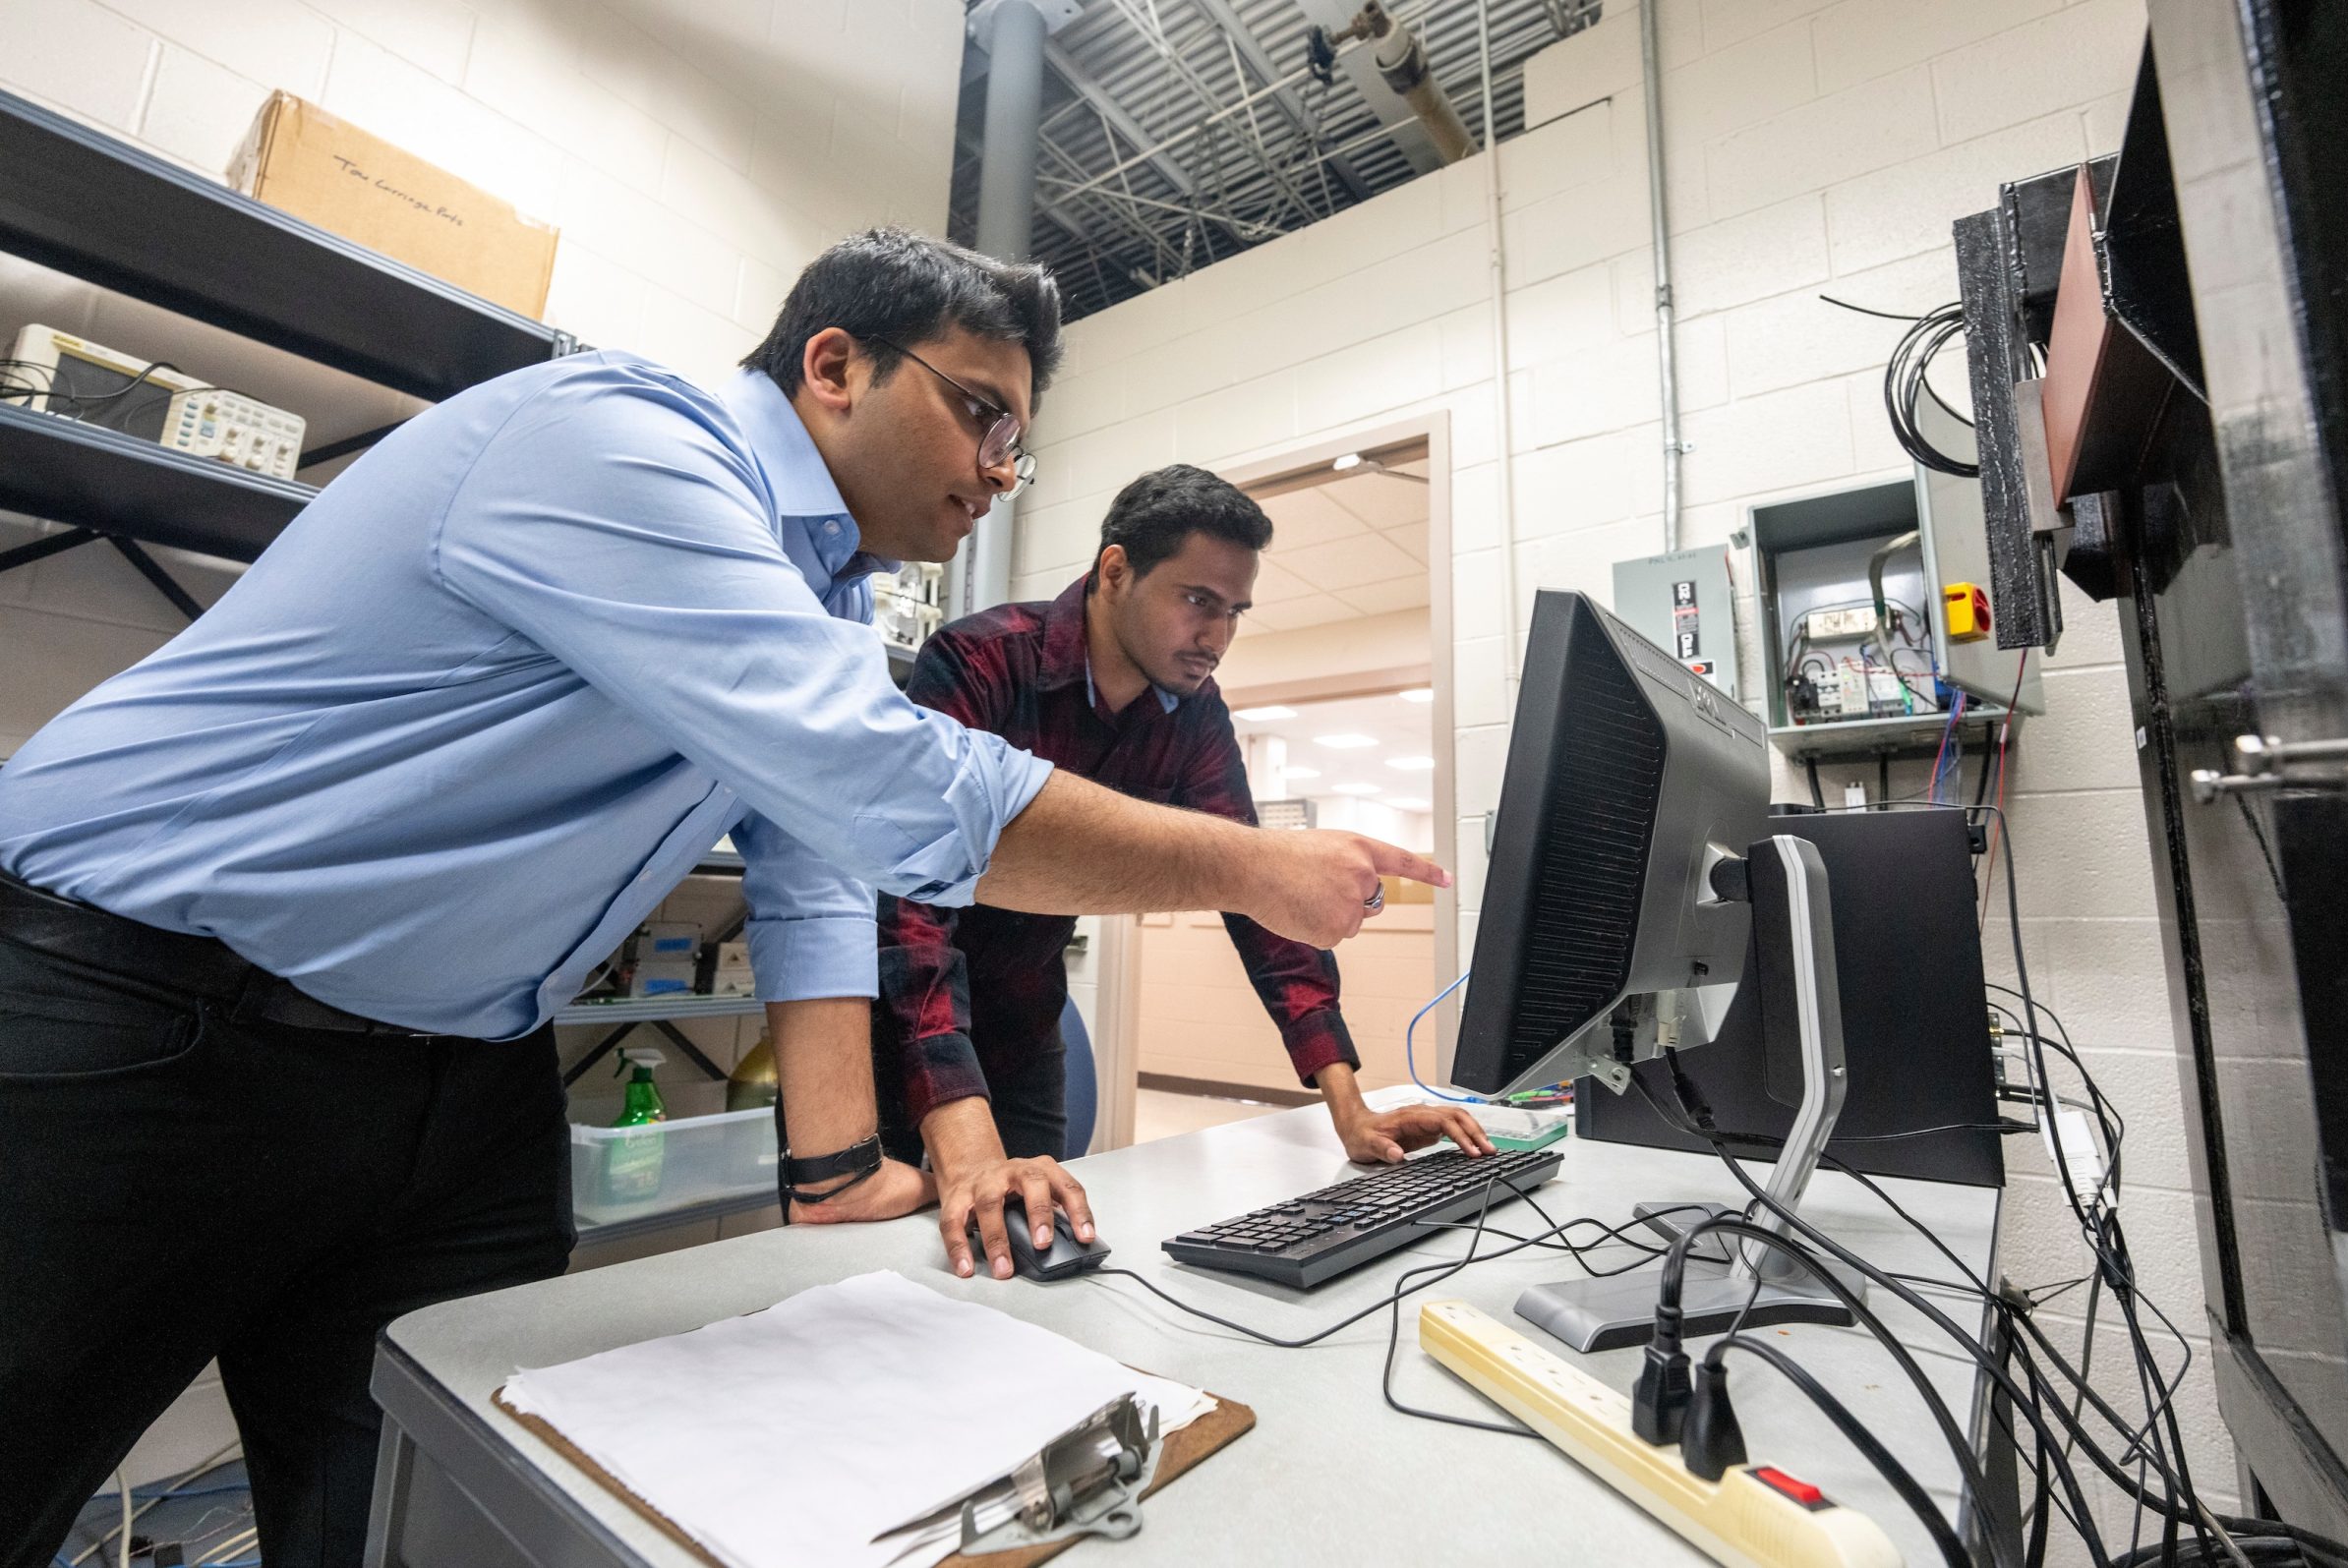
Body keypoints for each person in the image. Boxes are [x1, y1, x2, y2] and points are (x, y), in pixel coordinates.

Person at [0, 230, 1441, 1568]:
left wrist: (834, 1165)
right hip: (133, 1012)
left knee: (437, 1508)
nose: (1006, 471)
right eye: (983, 416)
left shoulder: (816, 598)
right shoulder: (624, 440)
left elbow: (819, 862)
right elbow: (890, 787)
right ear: (833, 365)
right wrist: (1252, 862)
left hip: (457, 1071)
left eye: (1024, 438)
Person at [877, 464, 1494, 1282]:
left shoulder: (1195, 715)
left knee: (1022, 1274)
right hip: (895, 1024)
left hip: (1024, 1026)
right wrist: (967, 1144)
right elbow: (913, 904)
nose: (1218, 634)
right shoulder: (982, 661)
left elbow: (1258, 897)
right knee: (880, 1277)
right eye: (1198, 599)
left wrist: (1352, 1108)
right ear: (1115, 569)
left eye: (1235, 610)